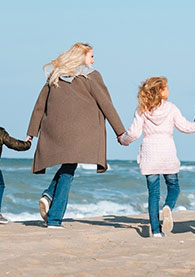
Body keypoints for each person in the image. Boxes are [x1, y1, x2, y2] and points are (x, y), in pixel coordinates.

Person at [27, 42, 125, 228]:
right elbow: (106, 105)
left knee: (67, 167)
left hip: (55, 132)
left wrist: (31, 134)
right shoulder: (91, 77)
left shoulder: (54, 77)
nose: (94, 60)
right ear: (81, 57)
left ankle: (48, 195)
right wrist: (119, 132)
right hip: (79, 135)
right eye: (91, 56)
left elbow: (39, 107)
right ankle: (54, 219)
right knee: (68, 172)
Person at [119, 77, 195, 237]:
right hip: (167, 153)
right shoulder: (171, 108)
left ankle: (156, 231)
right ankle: (168, 207)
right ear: (161, 91)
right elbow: (185, 127)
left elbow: (134, 133)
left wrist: (123, 140)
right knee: (174, 188)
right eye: (167, 88)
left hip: (150, 155)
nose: (169, 90)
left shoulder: (142, 109)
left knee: (153, 194)